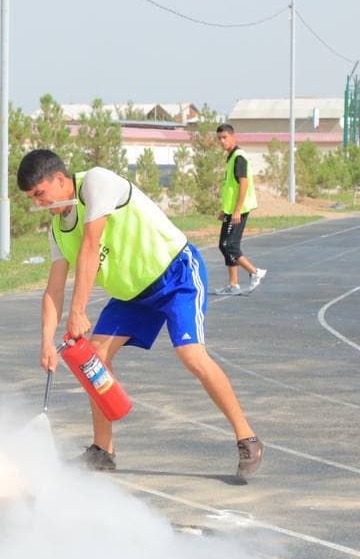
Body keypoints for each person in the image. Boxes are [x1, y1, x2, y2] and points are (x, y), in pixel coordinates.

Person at [18, 148, 263, 480]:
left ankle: (247, 438)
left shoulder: (96, 183)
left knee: (191, 355)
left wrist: (78, 311)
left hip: (175, 274)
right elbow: (54, 289)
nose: (39, 204)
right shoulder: (57, 231)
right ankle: (102, 451)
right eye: (32, 199)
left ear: (60, 179)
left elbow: (91, 244)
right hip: (132, 295)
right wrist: (47, 341)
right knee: (93, 359)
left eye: (40, 194)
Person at [214, 124, 267, 295]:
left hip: (240, 209)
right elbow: (231, 187)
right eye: (219, 138)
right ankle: (233, 284)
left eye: (225, 137)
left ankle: (255, 272)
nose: (222, 141)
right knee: (223, 245)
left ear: (233, 137)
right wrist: (225, 209)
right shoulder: (230, 157)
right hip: (230, 210)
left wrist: (237, 209)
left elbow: (244, 183)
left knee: (230, 245)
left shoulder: (239, 157)